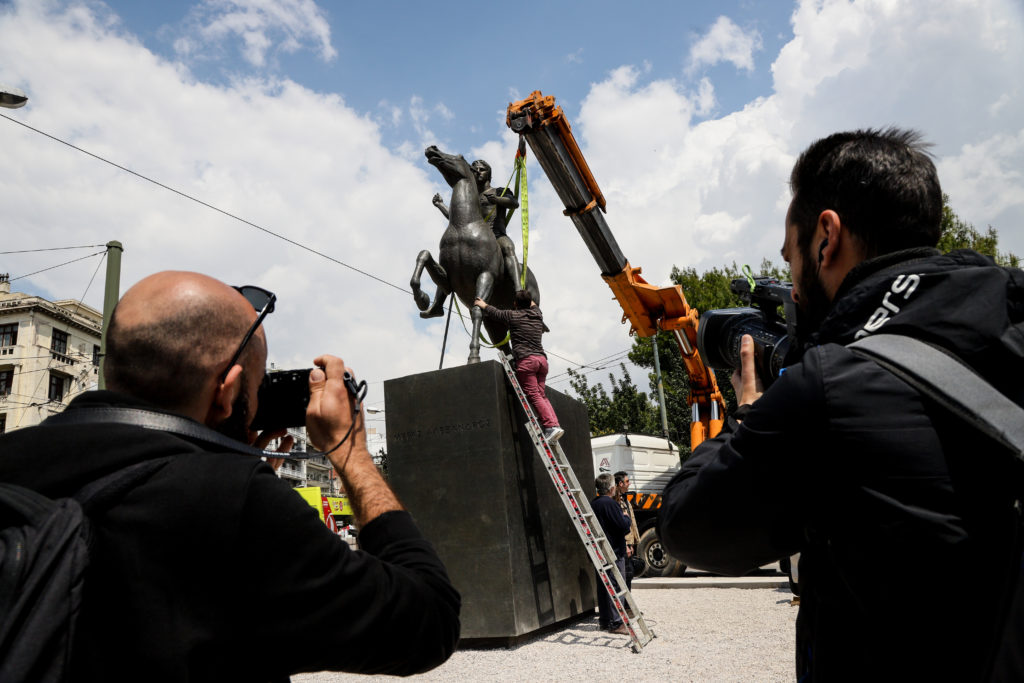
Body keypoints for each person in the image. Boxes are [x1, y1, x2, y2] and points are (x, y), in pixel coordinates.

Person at [657, 128, 1024, 681]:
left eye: (791, 257)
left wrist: (752, 410)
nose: (794, 286)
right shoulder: (1010, 309)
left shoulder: (831, 387)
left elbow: (689, 528)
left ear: (826, 237)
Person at [0, 271, 460, 681]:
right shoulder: (235, 503)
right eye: (256, 389)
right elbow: (430, 621)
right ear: (227, 391)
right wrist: (351, 453)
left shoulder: (12, 457)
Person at [474, 290, 563, 442]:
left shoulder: (512, 315)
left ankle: (550, 427)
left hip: (527, 361)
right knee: (541, 395)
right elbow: (533, 304)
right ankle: (554, 425)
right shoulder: (537, 314)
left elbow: (495, 313)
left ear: (515, 304)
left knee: (534, 395)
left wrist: (481, 304)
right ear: (530, 304)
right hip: (542, 361)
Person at [433, 158, 523, 292]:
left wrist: (497, 199)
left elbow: (514, 203)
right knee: (453, 258)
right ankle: (438, 302)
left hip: (496, 235)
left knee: (508, 248)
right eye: (476, 170)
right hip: (473, 237)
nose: (479, 172)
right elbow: (455, 216)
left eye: (482, 170)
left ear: (489, 175)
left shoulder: (499, 191)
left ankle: (518, 289)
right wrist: (440, 205)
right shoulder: (469, 197)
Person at [591, 473, 630, 635]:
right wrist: (626, 518)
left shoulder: (593, 504)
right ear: (612, 488)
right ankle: (616, 623)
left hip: (599, 551)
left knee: (603, 586)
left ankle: (605, 620)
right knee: (616, 586)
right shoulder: (611, 504)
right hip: (613, 551)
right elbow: (623, 526)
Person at [614, 471, 640, 588]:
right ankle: (625, 605)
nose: (629, 484)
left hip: (628, 543)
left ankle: (627, 605)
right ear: (620, 483)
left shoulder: (624, 498)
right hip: (623, 544)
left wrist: (633, 542)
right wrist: (626, 544)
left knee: (629, 574)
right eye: (627, 481)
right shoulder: (616, 500)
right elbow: (618, 525)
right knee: (625, 574)